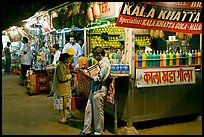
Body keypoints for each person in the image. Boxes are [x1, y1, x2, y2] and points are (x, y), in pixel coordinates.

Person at [80, 46, 111, 135]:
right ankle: (86, 130)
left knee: (98, 112)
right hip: (94, 90)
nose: (94, 58)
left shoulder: (105, 64)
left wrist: (87, 75)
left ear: (100, 55)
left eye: (95, 56)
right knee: (88, 110)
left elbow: (99, 79)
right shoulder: (100, 63)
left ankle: (98, 132)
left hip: (99, 90)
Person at [52, 48, 75, 123]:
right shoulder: (60, 66)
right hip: (61, 89)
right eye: (69, 59)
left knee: (64, 104)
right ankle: (62, 118)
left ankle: (65, 116)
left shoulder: (63, 65)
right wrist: (70, 75)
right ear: (65, 59)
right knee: (61, 105)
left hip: (63, 89)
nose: (70, 61)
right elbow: (62, 78)